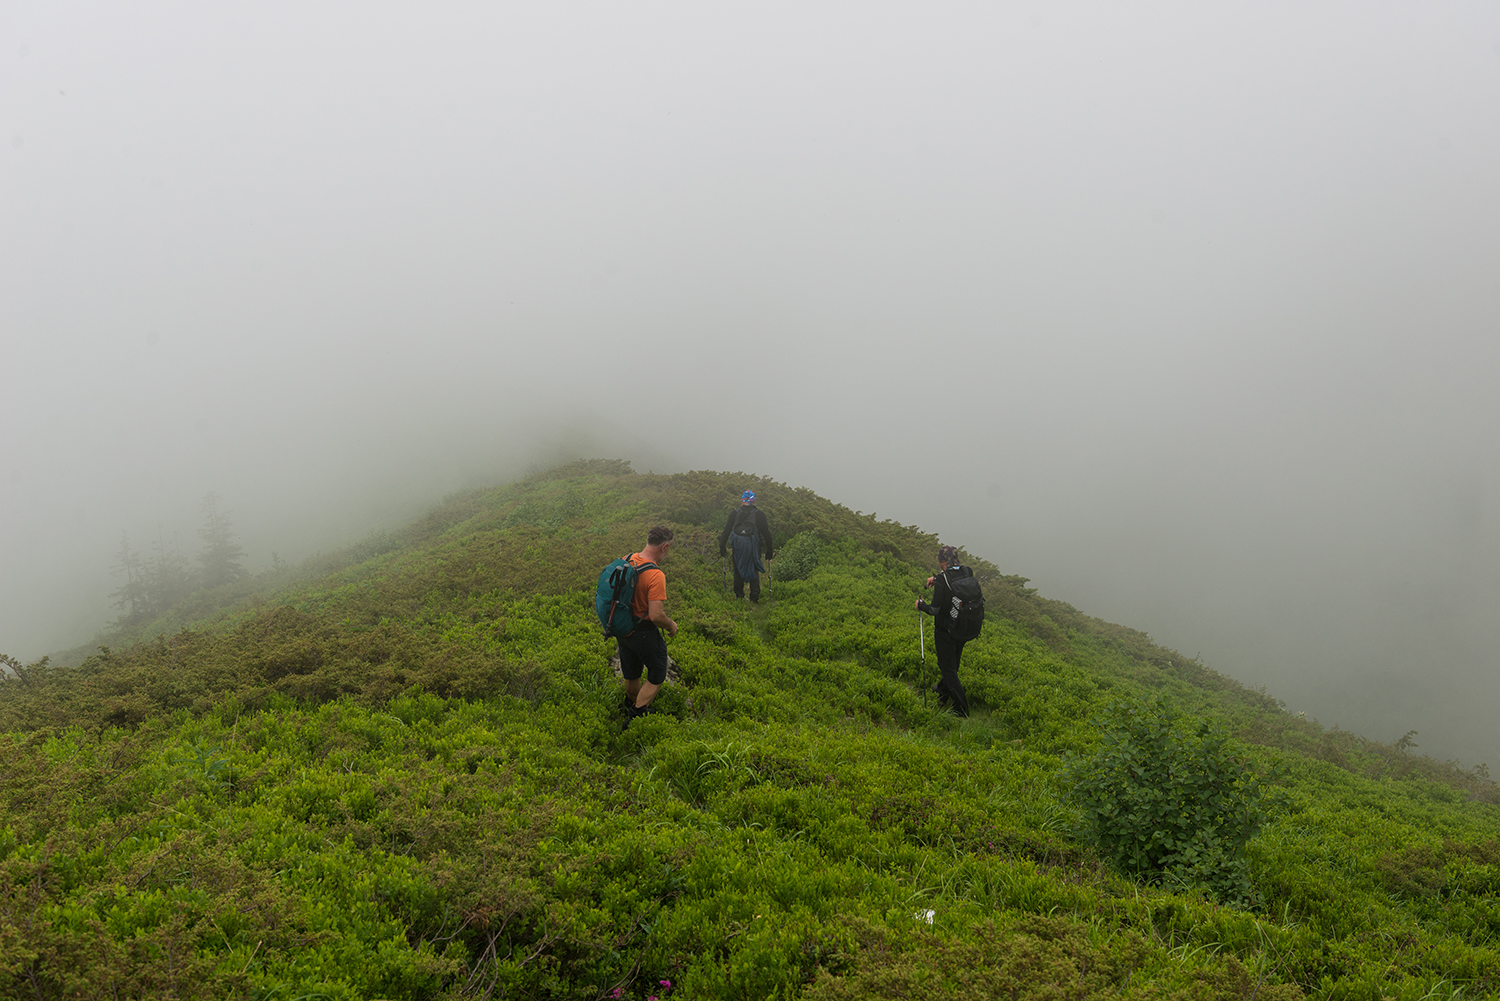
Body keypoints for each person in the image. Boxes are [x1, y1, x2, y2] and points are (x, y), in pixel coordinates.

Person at [619, 526, 679, 719]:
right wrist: (671, 625)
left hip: (623, 628)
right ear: (665, 546)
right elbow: (655, 616)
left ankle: (630, 703)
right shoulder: (655, 575)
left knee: (631, 671)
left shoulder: (626, 560)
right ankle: (636, 714)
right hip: (643, 631)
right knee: (658, 672)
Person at [915, 544, 972, 717]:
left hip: (945, 630)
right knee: (952, 665)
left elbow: (934, 610)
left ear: (941, 560)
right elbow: (953, 581)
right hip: (963, 627)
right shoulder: (967, 572)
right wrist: (937, 578)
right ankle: (941, 691)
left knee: (948, 669)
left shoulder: (942, 580)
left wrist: (921, 605)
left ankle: (961, 710)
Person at [718, 490, 774, 602]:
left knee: (737, 570)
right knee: (753, 569)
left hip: (738, 546)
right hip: (753, 546)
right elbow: (766, 533)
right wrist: (769, 550)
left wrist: (722, 546)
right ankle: (754, 597)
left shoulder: (734, 513)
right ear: (753, 500)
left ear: (742, 500)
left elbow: (726, 531)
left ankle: (739, 596)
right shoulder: (759, 514)